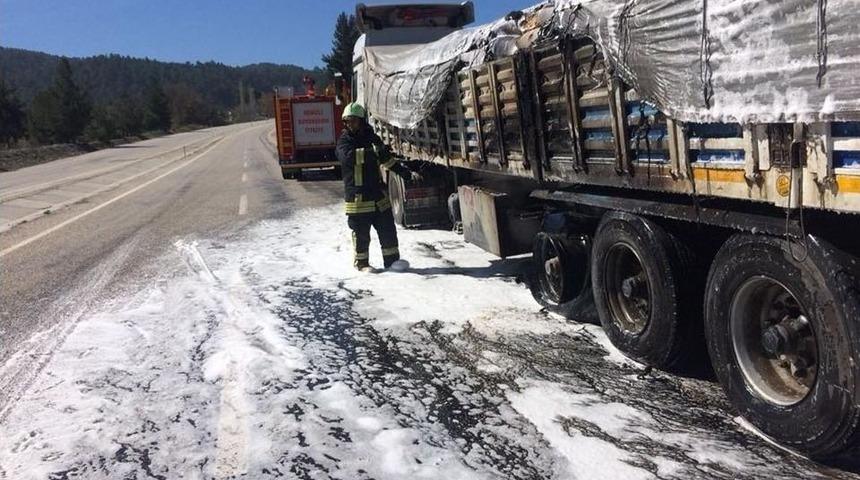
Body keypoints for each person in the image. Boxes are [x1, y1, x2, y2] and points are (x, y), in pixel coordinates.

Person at [336, 102, 415, 272]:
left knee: (388, 230)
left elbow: (386, 160)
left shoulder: (372, 137)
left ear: (362, 121)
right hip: (358, 199)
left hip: (377, 196)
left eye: (353, 121)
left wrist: (405, 173)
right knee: (361, 234)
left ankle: (392, 263)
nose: (350, 125)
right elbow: (347, 157)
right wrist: (372, 153)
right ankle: (362, 265)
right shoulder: (344, 141)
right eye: (347, 121)